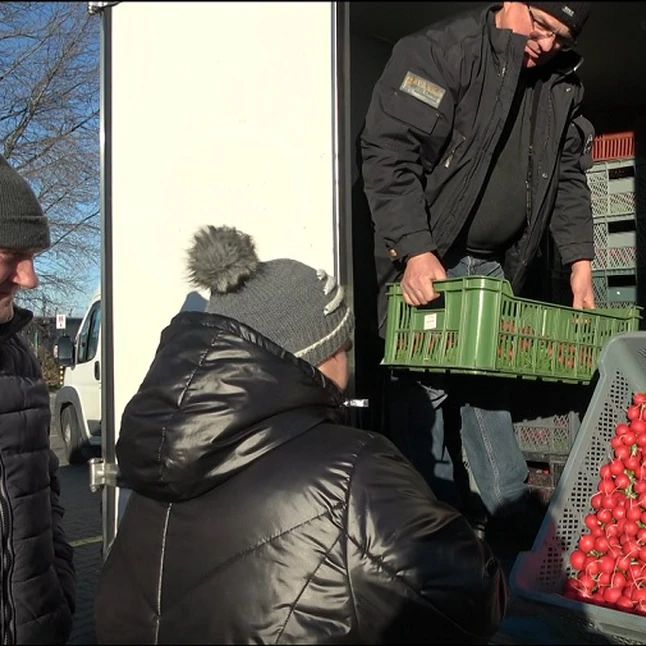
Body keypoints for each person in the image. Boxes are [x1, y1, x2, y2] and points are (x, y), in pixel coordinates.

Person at [94, 225, 506, 644]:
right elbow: (471, 598)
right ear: (320, 353)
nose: (348, 359)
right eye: (343, 345)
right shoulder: (352, 471)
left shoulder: (151, 464)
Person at [360, 2, 596, 538]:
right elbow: (386, 154)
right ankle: (428, 539)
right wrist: (415, 249)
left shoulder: (558, 84)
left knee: (488, 394)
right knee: (423, 399)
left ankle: (511, 533)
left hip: (493, 268)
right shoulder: (440, 54)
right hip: (429, 259)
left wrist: (580, 264)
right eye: (540, 25)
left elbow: (567, 179)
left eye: (560, 36)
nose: (546, 44)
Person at [0, 154, 76, 644]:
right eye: (12, 256)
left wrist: (59, 591)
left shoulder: (19, 358)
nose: (30, 279)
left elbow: (44, 491)